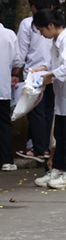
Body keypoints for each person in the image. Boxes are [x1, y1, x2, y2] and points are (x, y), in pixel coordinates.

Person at [29, 7, 66, 189]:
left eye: (41, 30)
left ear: (50, 25)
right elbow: (53, 62)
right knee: (60, 135)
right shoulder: (56, 41)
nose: (42, 34)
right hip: (62, 98)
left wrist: (50, 76)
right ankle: (58, 168)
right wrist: (42, 69)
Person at [13, 0, 57, 162]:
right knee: (48, 111)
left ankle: (39, 150)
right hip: (53, 73)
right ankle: (45, 147)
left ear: (33, 6)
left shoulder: (28, 24)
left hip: (35, 74)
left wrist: (15, 72)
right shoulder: (55, 22)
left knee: (35, 111)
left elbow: (21, 52)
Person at [0, 20, 16, 171]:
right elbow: (17, 60)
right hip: (3, 87)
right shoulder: (9, 35)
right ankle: (6, 160)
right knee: (4, 123)